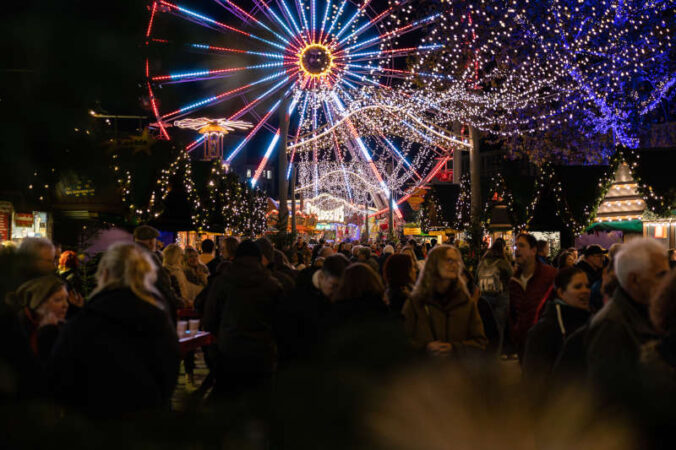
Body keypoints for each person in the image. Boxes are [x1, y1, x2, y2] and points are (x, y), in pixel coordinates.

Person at [48, 243, 179, 417]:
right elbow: (169, 372)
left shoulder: (86, 319)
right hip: (145, 420)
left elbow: (61, 374)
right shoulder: (158, 318)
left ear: (105, 274)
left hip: (93, 421)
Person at [586, 238, 669, 407]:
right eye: (661, 275)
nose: (666, 283)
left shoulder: (649, 312)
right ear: (634, 280)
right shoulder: (611, 326)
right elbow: (612, 398)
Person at [205, 240, 283, 399]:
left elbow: (209, 318)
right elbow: (281, 321)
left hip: (230, 350)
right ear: (260, 258)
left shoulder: (222, 281)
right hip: (262, 353)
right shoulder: (271, 284)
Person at [402, 245, 488, 357]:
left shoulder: (466, 303)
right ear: (434, 264)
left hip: (456, 371)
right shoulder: (416, 303)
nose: (454, 265)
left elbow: (480, 343)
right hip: (424, 372)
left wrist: (455, 348)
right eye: (449, 260)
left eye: (457, 261)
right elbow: (403, 342)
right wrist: (425, 348)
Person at [522, 267, 591, 397]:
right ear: (561, 292)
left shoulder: (591, 320)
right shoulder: (544, 330)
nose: (585, 291)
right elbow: (534, 382)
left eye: (587, 286)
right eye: (577, 287)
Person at [276, 254, 350, 364]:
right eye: (334, 286)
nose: (337, 292)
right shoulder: (298, 288)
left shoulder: (340, 297)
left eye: (341, 287)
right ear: (321, 277)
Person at [508, 233, 557, 357]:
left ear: (533, 250)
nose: (517, 249)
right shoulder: (514, 281)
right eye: (515, 246)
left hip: (547, 345)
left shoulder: (550, 275)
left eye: (522, 246)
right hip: (524, 347)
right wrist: (516, 333)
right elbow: (513, 313)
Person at [6, 275, 68, 362]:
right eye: (58, 300)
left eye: (66, 299)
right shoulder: (16, 328)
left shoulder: (63, 326)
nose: (65, 305)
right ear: (39, 303)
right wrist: (48, 332)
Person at [133, 225, 182, 323]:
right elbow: (162, 284)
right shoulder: (150, 257)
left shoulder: (127, 254)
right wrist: (178, 302)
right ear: (151, 241)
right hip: (150, 307)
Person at [476, 238, 513, 354]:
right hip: (500, 296)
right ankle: (498, 352)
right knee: (499, 326)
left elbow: (476, 277)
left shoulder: (483, 261)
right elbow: (510, 276)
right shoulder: (503, 261)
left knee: (486, 326)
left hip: (485, 295)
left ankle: (487, 353)